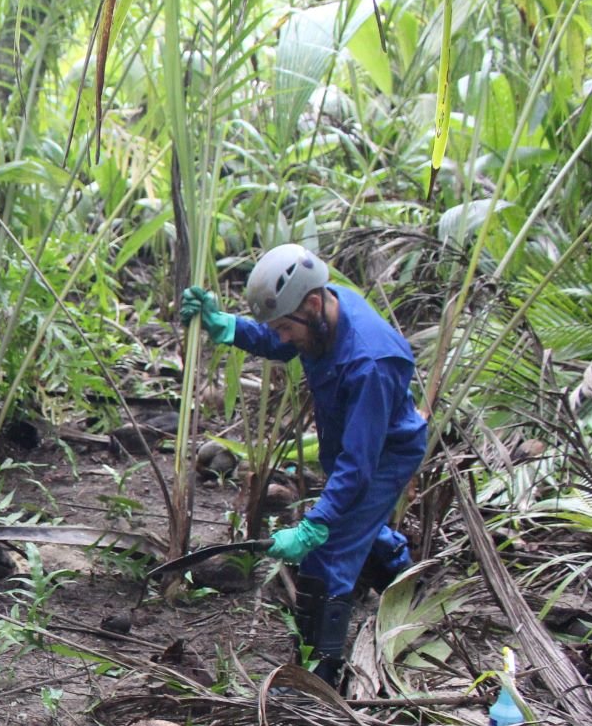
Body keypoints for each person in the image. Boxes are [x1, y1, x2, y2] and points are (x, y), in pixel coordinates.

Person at [181, 244, 427, 687]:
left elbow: (359, 465)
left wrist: (316, 526)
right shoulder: (321, 317)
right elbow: (280, 340)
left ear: (312, 304)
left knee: (326, 555)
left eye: (285, 326)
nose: (282, 336)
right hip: (352, 445)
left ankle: (318, 678)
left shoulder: (371, 361)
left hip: (383, 454)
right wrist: (228, 327)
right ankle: (404, 578)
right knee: (354, 526)